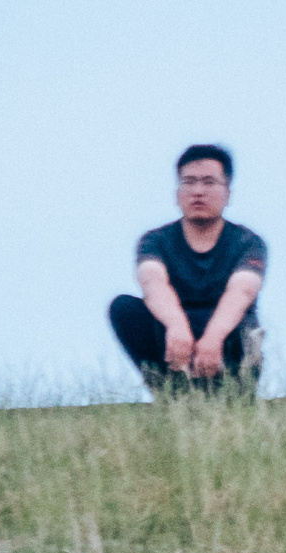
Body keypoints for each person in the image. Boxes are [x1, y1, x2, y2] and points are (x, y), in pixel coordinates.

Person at [112, 143, 265, 392]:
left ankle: (235, 391)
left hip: (227, 341)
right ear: (177, 193)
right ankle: (169, 391)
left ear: (227, 193)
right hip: (173, 341)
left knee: (239, 323)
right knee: (125, 308)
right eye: (189, 182)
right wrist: (176, 327)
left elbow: (242, 292)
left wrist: (212, 339)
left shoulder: (247, 242)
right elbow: (152, 283)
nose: (198, 191)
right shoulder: (155, 241)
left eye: (208, 182)